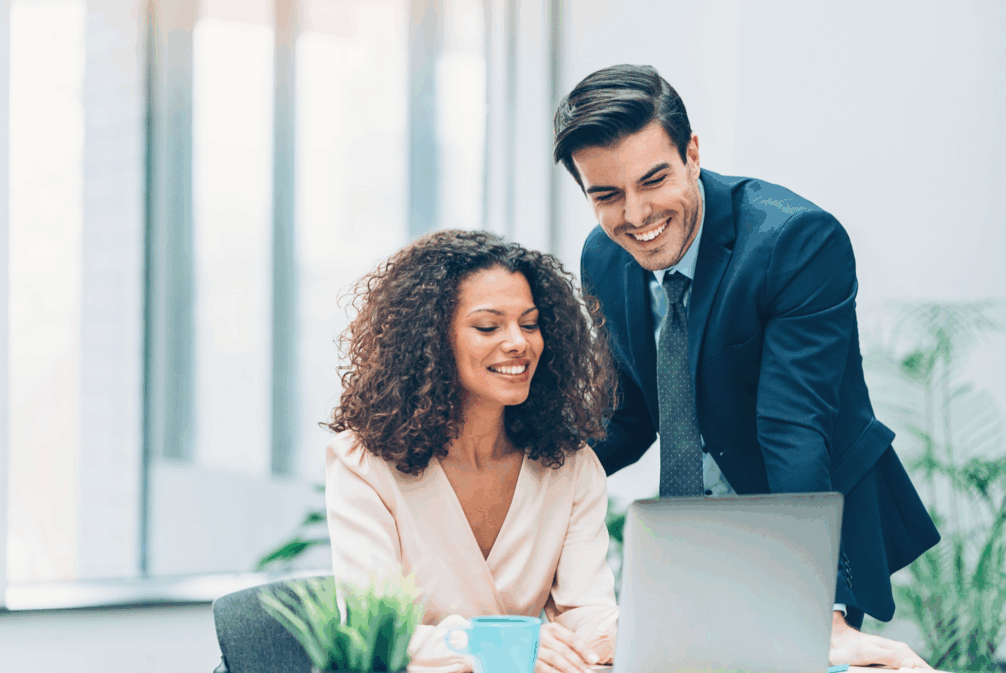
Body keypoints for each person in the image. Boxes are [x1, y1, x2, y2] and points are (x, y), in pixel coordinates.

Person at [553, 64, 941, 669]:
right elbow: (627, 413)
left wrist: (820, 610)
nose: (635, 214)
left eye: (653, 179)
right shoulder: (603, 257)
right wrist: (524, 482)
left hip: (798, 521)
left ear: (693, 153)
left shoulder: (795, 242)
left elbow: (793, 426)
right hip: (684, 542)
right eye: (606, 195)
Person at [324, 230, 619, 673]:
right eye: (488, 326)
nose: (519, 342)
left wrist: (626, 635)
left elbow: (589, 615)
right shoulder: (363, 463)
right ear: (430, 338)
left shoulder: (569, 464)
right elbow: (377, 634)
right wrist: (511, 648)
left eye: (531, 323)